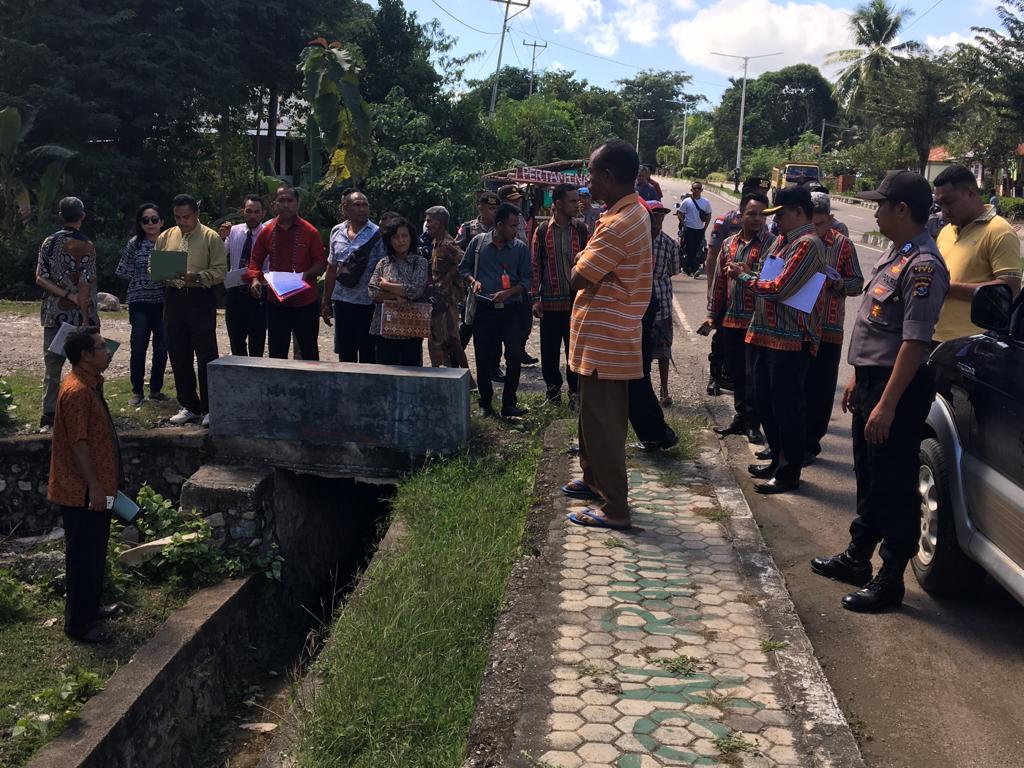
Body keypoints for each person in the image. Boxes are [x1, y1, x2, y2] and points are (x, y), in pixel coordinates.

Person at [811, 171, 949, 613]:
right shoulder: (897, 253)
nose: (875, 211)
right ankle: (857, 556)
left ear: (902, 209)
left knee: (893, 482)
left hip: (898, 390)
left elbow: (914, 342)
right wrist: (858, 376)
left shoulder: (923, 265)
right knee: (870, 475)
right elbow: (878, 326)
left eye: (881, 204)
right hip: (875, 381)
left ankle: (890, 578)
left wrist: (887, 404)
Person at [563, 140, 652, 530]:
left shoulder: (619, 224)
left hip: (607, 340)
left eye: (592, 175)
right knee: (590, 417)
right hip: (603, 338)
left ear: (609, 177)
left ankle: (616, 507)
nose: (587, 183)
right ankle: (593, 480)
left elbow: (578, 276)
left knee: (605, 425)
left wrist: (580, 258)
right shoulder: (630, 213)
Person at [725, 185, 825, 495]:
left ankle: (788, 471)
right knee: (765, 403)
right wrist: (750, 274)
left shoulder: (807, 245)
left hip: (790, 341)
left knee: (787, 408)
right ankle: (776, 461)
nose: (775, 222)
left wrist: (744, 277)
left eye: (779, 215)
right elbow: (764, 276)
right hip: (764, 334)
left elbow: (780, 288)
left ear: (798, 212)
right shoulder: (782, 242)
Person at [47, 327, 120, 642]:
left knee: (96, 550)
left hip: (100, 488)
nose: (108, 352)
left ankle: (91, 608)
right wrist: (94, 486)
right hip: (83, 492)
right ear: (86, 356)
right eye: (102, 347)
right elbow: (79, 444)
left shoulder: (92, 384)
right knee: (82, 555)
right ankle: (78, 624)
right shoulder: (77, 391)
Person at [701, 191, 773, 444]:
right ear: (740, 215)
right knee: (736, 374)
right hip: (731, 320)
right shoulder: (729, 244)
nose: (756, 219)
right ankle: (740, 419)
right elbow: (720, 283)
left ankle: (754, 423)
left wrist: (746, 272)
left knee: (755, 375)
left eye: (762, 215)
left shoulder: (773, 245)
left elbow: (772, 282)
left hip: (759, 322)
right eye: (751, 214)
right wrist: (712, 315)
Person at [154, 194, 226, 427]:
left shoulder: (210, 237)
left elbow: (220, 271)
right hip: (173, 298)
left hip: (199, 298)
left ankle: (209, 407)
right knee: (177, 352)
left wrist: (197, 276)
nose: (182, 221)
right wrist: (162, 272)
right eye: (177, 217)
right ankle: (188, 405)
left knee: (205, 353)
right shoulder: (166, 236)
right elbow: (152, 266)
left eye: (186, 217)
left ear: (196, 214)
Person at [931, 164, 1022, 343]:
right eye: (940, 204)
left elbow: (1010, 289)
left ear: (971, 193)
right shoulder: (946, 231)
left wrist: (947, 287)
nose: (944, 210)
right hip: (933, 336)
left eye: (949, 202)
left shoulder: (999, 231)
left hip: (971, 344)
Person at [804, 192, 864, 461]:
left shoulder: (843, 246)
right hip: (799, 328)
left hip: (828, 329)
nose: (814, 230)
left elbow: (857, 284)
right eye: (810, 224)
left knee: (820, 391)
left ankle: (810, 443)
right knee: (793, 387)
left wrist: (838, 283)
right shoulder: (797, 241)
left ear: (830, 219)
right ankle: (786, 442)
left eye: (819, 224)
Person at [459, 203, 532, 418]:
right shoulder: (478, 243)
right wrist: (473, 282)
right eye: (511, 226)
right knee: (483, 357)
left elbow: (527, 279)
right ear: (499, 225)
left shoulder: (520, 249)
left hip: (511, 311)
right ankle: (485, 403)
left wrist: (509, 292)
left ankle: (509, 402)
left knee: (514, 354)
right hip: (484, 310)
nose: (514, 230)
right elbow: (463, 268)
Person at [35, 196, 99, 430]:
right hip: (80, 313)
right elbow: (85, 281)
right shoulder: (86, 245)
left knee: (52, 366)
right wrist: (83, 312)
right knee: (84, 366)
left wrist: (63, 295)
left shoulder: (48, 243)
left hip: (53, 312)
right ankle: (81, 412)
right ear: (82, 216)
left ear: (61, 217)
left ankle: (48, 414)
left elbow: (40, 278)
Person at [246, 187, 326, 360]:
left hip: (305, 301)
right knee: (277, 351)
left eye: (290, 201)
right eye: (281, 201)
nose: (285, 205)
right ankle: (278, 387)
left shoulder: (310, 232)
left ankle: (310, 386)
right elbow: (255, 259)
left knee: (309, 351)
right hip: (276, 301)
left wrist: (304, 275)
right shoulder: (267, 231)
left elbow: (321, 263)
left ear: (297, 204)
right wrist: (254, 280)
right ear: (274, 204)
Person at [531, 183, 588, 406]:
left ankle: (575, 393)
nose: (577, 204)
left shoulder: (581, 230)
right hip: (551, 305)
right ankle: (553, 393)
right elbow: (535, 266)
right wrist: (535, 298)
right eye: (573, 201)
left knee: (574, 352)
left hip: (577, 304)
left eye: (578, 200)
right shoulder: (543, 230)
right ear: (558, 204)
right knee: (549, 352)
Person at [628, 199, 679, 452]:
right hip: (642, 305)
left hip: (646, 304)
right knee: (638, 375)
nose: (657, 222)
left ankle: (657, 433)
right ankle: (657, 433)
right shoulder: (638, 242)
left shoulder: (655, 244)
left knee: (638, 374)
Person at [115, 203, 168, 406]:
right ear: (140, 223)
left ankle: (156, 389)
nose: (150, 223)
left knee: (162, 348)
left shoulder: (170, 243)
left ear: (162, 221)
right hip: (139, 301)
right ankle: (137, 391)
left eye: (154, 219)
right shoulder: (134, 244)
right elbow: (122, 270)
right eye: (145, 220)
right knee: (138, 347)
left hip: (163, 302)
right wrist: (144, 273)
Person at [323, 189, 385, 363]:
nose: (362, 209)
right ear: (345, 207)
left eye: (365, 205)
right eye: (357, 205)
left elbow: (384, 268)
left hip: (368, 303)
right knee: (345, 351)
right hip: (342, 302)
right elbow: (331, 267)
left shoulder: (378, 234)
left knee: (368, 352)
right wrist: (326, 301)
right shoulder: (337, 231)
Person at [368, 217, 430, 365]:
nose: (400, 240)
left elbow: (415, 290)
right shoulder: (383, 263)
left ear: (411, 238)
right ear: (389, 240)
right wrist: (397, 297)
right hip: (385, 330)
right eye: (395, 237)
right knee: (385, 373)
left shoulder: (419, 262)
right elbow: (372, 292)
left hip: (411, 329)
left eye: (404, 236)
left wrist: (386, 285)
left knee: (411, 374)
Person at [424, 205, 471, 375]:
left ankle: (467, 381)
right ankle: (446, 375)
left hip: (447, 301)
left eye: (430, 220)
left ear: (441, 222)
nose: (427, 224)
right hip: (438, 300)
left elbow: (464, 263)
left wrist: (449, 280)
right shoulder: (436, 242)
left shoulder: (448, 244)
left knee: (451, 340)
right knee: (439, 340)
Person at [223, 194, 267, 357]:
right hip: (235, 292)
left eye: (257, 212)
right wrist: (221, 237)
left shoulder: (268, 233)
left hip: (259, 293)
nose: (253, 216)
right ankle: (240, 379)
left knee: (257, 342)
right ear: (243, 212)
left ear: (263, 213)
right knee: (236, 341)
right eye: (249, 211)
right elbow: (220, 254)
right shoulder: (233, 231)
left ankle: (255, 379)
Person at [648, 198, 681, 406]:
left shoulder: (669, 243)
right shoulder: (638, 240)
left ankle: (664, 389)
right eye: (655, 215)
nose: (659, 219)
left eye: (661, 215)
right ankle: (649, 390)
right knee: (644, 351)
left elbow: (675, 269)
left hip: (662, 302)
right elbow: (673, 270)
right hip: (645, 302)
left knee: (663, 350)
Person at [677, 181, 713, 276]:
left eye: (698, 188)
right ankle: (694, 269)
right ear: (691, 190)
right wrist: (684, 225)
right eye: (694, 188)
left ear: (701, 190)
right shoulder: (686, 201)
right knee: (690, 248)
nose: (696, 190)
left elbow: (708, 215)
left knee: (697, 249)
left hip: (700, 229)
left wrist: (705, 227)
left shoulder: (706, 202)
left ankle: (687, 268)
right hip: (689, 228)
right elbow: (680, 213)